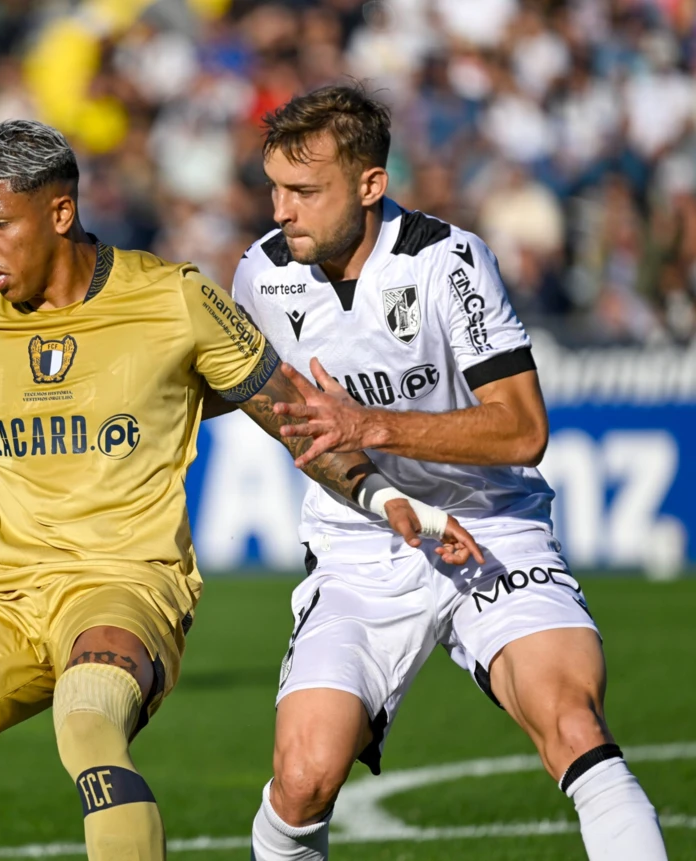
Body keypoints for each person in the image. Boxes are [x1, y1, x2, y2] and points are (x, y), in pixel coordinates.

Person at [0, 119, 480, 861]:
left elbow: (291, 417)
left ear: (60, 213)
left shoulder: (174, 299)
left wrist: (385, 499)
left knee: (88, 718)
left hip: (125, 586)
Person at [231, 85, 668, 861]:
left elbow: (523, 428)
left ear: (371, 185)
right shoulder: (261, 277)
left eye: (304, 191)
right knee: (302, 778)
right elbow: (293, 424)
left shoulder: (448, 261)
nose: (280, 210)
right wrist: (388, 491)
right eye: (274, 188)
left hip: (493, 528)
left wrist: (372, 423)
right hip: (361, 546)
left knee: (573, 724)